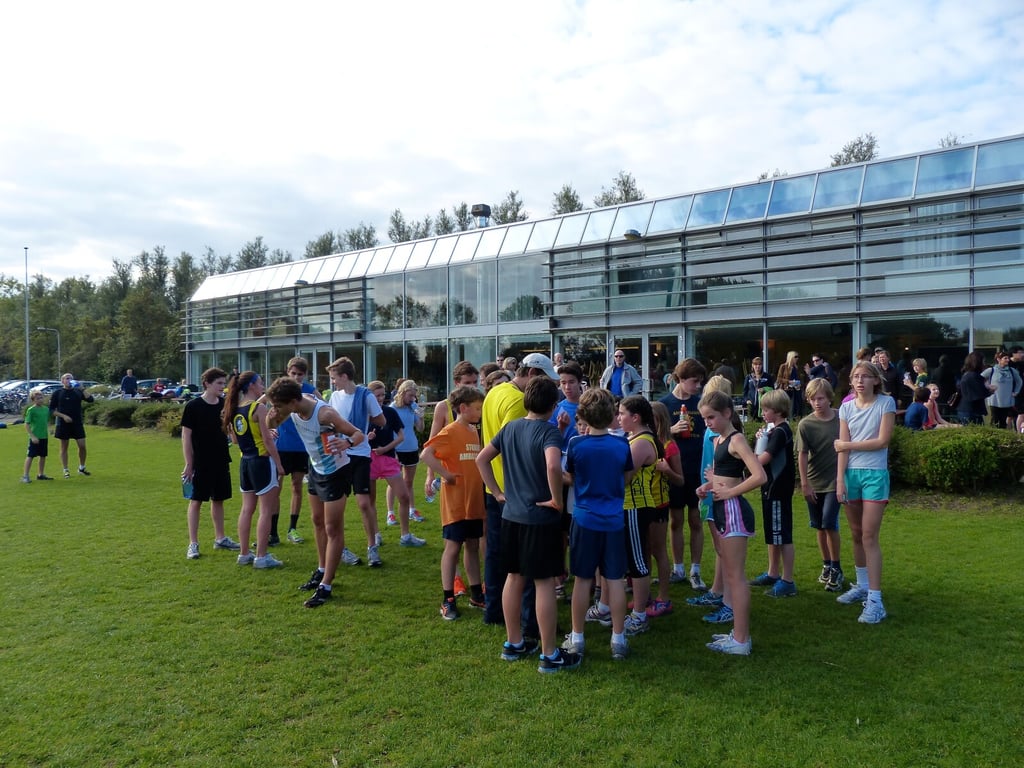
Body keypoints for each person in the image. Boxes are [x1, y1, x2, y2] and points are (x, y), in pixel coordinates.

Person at [476, 376, 580, 674]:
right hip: (540, 518)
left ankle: (514, 642)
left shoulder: (511, 428)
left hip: (512, 516)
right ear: (553, 404)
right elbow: (550, 464)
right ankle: (549, 654)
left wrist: (497, 493)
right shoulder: (549, 434)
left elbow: (482, 459)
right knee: (544, 581)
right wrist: (556, 499)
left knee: (514, 577)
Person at [264, 377, 365, 608]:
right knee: (317, 521)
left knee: (332, 528)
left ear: (292, 402)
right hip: (316, 469)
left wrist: (347, 444)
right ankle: (321, 570)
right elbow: (272, 422)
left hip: (336, 473)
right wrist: (270, 423)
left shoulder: (325, 414)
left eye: (278, 406)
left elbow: (357, 433)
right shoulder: (295, 407)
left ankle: (326, 585)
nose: (275, 410)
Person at [479, 352, 560, 631]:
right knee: (534, 575)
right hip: (524, 493)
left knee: (502, 563)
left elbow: (485, 451)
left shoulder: (495, 391)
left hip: (503, 493)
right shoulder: (517, 404)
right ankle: (532, 625)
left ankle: (497, 617)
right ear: (535, 375)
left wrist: (495, 490)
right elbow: (542, 457)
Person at [561, 387, 634, 661]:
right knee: (614, 580)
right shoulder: (621, 444)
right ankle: (618, 638)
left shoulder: (577, 445)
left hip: (584, 518)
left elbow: (570, 475)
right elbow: (626, 476)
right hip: (614, 519)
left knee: (582, 579)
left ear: (583, 415)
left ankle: (577, 637)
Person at [696, 390, 766, 655]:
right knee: (729, 572)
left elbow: (759, 475)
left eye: (711, 417)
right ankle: (738, 634)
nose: (708, 423)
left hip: (733, 510)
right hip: (722, 507)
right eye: (704, 419)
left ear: (727, 413)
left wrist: (729, 492)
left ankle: (741, 639)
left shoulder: (736, 440)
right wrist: (707, 486)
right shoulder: (719, 440)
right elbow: (725, 477)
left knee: (736, 577)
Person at [834, 360, 896, 624]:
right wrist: (839, 480)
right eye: (855, 377)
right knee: (857, 534)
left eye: (865, 376)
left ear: (875, 380)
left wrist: (847, 444)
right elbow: (841, 451)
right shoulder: (846, 408)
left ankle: (875, 599)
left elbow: (883, 441)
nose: (859, 381)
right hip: (851, 476)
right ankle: (861, 585)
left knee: (870, 535)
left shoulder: (886, 404)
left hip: (875, 475)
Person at [420, 386, 487, 620]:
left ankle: (477, 593)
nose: (481, 411)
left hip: (474, 502)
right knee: (453, 548)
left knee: (471, 545)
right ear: (463, 408)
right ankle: (447, 599)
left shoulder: (473, 431)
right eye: (477, 408)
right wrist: (445, 475)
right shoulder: (450, 431)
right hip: (456, 504)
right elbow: (426, 454)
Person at [327, 356, 387, 568]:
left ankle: (372, 547)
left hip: (360, 454)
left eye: (334, 378)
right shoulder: (334, 397)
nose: (333, 382)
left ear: (344, 376)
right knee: (338, 504)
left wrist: (363, 423)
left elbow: (381, 420)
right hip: (340, 455)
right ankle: (340, 548)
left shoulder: (366, 395)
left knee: (364, 502)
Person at [222, 371, 284, 569]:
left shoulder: (234, 408)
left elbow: (234, 439)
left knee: (247, 509)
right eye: (260, 382)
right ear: (251, 386)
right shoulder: (259, 407)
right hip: (262, 462)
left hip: (245, 463)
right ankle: (261, 556)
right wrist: (280, 464)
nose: (263, 385)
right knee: (266, 510)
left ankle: (244, 554)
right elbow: (266, 441)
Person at [181, 367, 240, 559]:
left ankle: (220, 538)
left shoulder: (224, 405)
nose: (223, 387)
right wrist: (189, 464)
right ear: (207, 383)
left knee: (219, 499)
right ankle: (193, 543)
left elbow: (232, 432)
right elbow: (186, 437)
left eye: (224, 383)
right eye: (219, 384)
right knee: (196, 500)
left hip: (221, 459)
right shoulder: (193, 406)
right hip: (200, 462)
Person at [659, 358, 707, 590]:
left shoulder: (701, 403)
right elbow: (652, 437)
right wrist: (671, 430)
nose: (697, 386)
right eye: (694, 381)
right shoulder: (664, 404)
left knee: (696, 519)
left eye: (700, 382)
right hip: (674, 470)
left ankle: (695, 570)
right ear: (680, 379)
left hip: (697, 469)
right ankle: (678, 568)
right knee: (675, 520)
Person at [796, 378, 844, 592]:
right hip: (815, 481)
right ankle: (826, 563)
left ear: (829, 398)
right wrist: (804, 483)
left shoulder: (841, 418)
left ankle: (836, 567)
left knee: (829, 522)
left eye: (821, 398)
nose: (817, 402)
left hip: (835, 481)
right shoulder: (806, 424)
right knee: (818, 525)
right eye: (813, 399)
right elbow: (802, 454)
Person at [366, 380, 425, 548]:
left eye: (382, 395)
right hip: (369, 459)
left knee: (404, 495)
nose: (380, 398)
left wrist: (385, 448)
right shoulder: (363, 414)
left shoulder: (390, 412)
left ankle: (405, 535)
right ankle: (376, 534)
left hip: (389, 458)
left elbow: (400, 436)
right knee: (370, 500)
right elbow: (353, 437)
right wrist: (366, 438)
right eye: (376, 395)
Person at [749, 389, 797, 597]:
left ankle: (787, 580)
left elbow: (763, 458)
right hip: (770, 488)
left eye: (766, 409)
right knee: (772, 533)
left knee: (782, 535)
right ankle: (772, 572)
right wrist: (761, 439)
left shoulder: (780, 432)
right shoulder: (774, 431)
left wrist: (745, 458)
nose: (762, 413)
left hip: (778, 489)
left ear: (777, 411)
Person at [273, 356, 321, 546]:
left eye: (300, 374)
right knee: (275, 488)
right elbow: (258, 402)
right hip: (281, 446)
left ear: (305, 375)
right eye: (293, 373)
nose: (296, 377)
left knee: (296, 487)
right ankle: (272, 532)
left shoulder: (309, 391)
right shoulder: (279, 388)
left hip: (301, 447)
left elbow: (324, 407)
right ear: (287, 372)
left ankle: (292, 529)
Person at [425, 361, 480, 499]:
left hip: (478, 469)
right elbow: (432, 442)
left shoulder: (480, 405)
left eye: (475, 382)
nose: (472, 386)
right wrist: (430, 475)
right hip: (455, 472)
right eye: (467, 383)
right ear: (457, 383)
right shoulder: (444, 407)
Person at [648, 401, 683, 616]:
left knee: (658, 550)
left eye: (651, 418)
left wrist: (667, 470)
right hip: (641, 503)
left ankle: (664, 597)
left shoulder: (669, 445)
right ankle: (646, 596)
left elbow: (680, 480)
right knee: (643, 552)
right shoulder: (644, 441)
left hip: (659, 504)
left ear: (660, 420)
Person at [389, 379, 426, 526]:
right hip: (397, 449)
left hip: (411, 448)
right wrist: (393, 451)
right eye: (410, 395)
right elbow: (389, 431)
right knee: (393, 483)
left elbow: (420, 428)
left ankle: (412, 510)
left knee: (408, 482)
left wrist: (421, 417)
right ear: (403, 393)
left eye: (414, 396)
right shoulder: (392, 408)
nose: (412, 399)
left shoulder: (413, 407)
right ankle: (390, 513)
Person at [50, 373, 94, 478]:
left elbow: (91, 400)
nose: (69, 380)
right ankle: (66, 470)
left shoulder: (78, 392)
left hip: (77, 423)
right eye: (67, 378)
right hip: (63, 424)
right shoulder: (58, 393)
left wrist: (82, 388)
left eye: (70, 378)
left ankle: (81, 468)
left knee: (82, 446)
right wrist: (63, 416)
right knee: (64, 447)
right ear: (62, 381)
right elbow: (51, 410)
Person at [981, 351, 1022, 428]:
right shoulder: (991, 370)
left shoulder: (1012, 371)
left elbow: (1019, 382)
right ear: (998, 359)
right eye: (1005, 358)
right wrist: (987, 387)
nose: (1007, 360)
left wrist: (1016, 391)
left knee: (1003, 420)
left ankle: (1002, 435)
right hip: (994, 399)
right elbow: (979, 379)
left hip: (1007, 400)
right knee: (995, 419)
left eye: (1008, 358)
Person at [22, 389, 53, 483]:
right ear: (33, 400)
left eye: (41, 397)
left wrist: (50, 429)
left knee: (43, 456)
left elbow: (47, 421)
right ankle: (25, 476)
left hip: (44, 436)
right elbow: (26, 424)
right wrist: (32, 436)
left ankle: (40, 474)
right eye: (37, 398)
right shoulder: (31, 410)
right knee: (30, 456)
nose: (40, 399)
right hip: (35, 437)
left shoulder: (46, 409)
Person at [957, 351, 990, 426]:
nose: (984, 364)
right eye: (983, 361)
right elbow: (980, 393)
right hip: (971, 410)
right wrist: (990, 390)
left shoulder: (967, 374)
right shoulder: (974, 376)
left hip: (966, 409)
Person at [775, 351, 804, 419]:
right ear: (791, 357)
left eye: (798, 357)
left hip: (795, 390)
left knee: (793, 408)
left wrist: (799, 384)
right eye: (795, 357)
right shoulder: (783, 366)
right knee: (784, 407)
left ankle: (792, 420)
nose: (797, 358)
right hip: (785, 390)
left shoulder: (796, 368)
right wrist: (789, 382)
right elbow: (779, 379)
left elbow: (801, 379)